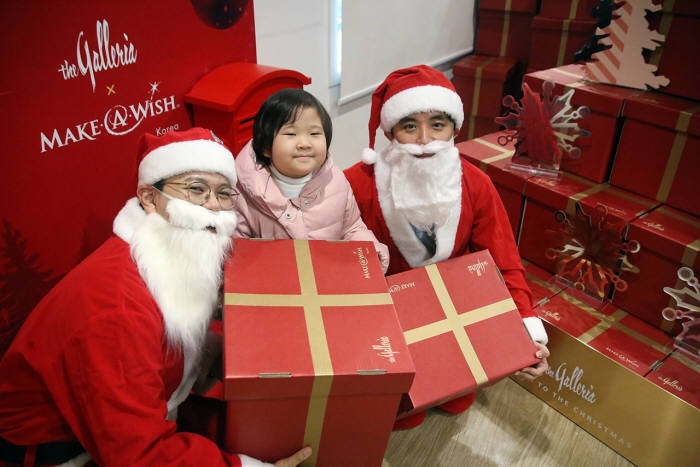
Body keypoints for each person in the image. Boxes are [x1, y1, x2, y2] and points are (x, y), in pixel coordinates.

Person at [0, 128, 310, 467]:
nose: (212, 207)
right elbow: (138, 457)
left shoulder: (161, 261)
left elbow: (170, 338)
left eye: (224, 194)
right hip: (57, 451)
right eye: (196, 189)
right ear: (149, 199)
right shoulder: (118, 308)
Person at [343, 65, 550, 429]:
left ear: (455, 128)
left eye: (437, 124)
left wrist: (525, 331)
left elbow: (504, 259)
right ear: (390, 132)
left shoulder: (477, 184)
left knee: (456, 399)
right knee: (402, 416)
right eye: (410, 126)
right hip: (387, 322)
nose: (424, 139)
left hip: (456, 316)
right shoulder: (355, 184)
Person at [232, 88, 390, 272]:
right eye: (291, 134)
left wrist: (370, 252)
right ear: (266, 147)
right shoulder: (244, 193)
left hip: (329, 278)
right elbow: (238, 254)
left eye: (314, 134)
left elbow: (351, 227)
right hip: (276, 288)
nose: (304, 144)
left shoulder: (335, 180)